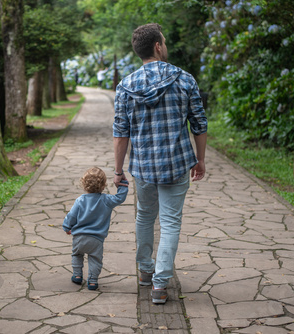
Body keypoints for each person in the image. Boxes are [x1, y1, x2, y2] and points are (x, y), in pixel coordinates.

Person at [113, 23, 207, 304]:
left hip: (143, 167)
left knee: (144, 216)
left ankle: (145, 271)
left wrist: (118, 171)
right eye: (163, 41)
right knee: (170, 222)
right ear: (157, 46)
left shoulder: (126, 85)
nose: (165, 45)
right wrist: (200, 160)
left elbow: (121, 134)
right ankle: (160, 284)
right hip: (177, 164)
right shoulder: (184, 79)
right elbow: (199, 125)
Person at [63, 167, 129, 290]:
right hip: (96, 239)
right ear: (104, 185)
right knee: (95, 259)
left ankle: (77, 275)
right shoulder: (107, 200)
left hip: (79, 237)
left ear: (83, 184)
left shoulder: (80, 200)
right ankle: (92, 281)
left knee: (77, 255)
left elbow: (71, 216)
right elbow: (120, 198)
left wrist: (67, 227)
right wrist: (123, 184)